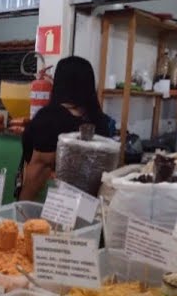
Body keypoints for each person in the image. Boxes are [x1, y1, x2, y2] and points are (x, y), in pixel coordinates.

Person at [17, 56, 115, 201]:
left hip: (53, 206)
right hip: (91, 207)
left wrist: (21, 213)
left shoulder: (48, 119)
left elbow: (37, 172)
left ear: (59, 82)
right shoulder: (101, 122)